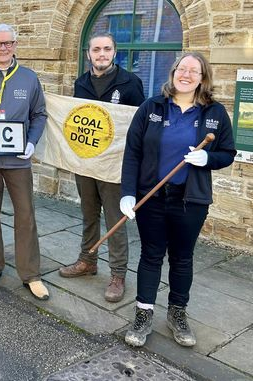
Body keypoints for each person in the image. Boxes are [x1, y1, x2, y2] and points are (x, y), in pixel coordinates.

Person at [121, 52, 235, 347]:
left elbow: (227, 154)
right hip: (152, 197)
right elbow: (132, 152)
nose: (186, 74)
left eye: (193, 71)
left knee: (182, 258)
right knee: (151, 254)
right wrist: (128, 193)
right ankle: (143, 314)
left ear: (203, 78)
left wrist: (207, 157)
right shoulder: (151, 107)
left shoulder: (215, 113)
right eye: (181, 68)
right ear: (173, 73)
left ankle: (177, 314)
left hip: (191, 200)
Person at [59, 32, 145, 303]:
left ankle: (118, 274)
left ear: (114, 52)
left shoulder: (130, 83)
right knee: (88, 214)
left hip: (114, 165)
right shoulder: (81, 83)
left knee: (115, 219)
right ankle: (87, 260)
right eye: (96, 49)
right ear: (88, 54)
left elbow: (137, 126)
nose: (101, 54)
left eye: (107, 49)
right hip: (86, 162)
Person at [0, 24, 49, 300]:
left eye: (8, 43)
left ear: (15, 45)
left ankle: (30, 274)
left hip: (18, 160)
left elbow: (39, 114)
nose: (2, 48)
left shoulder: (28, 78)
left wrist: (32, 142)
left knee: (25, 215)